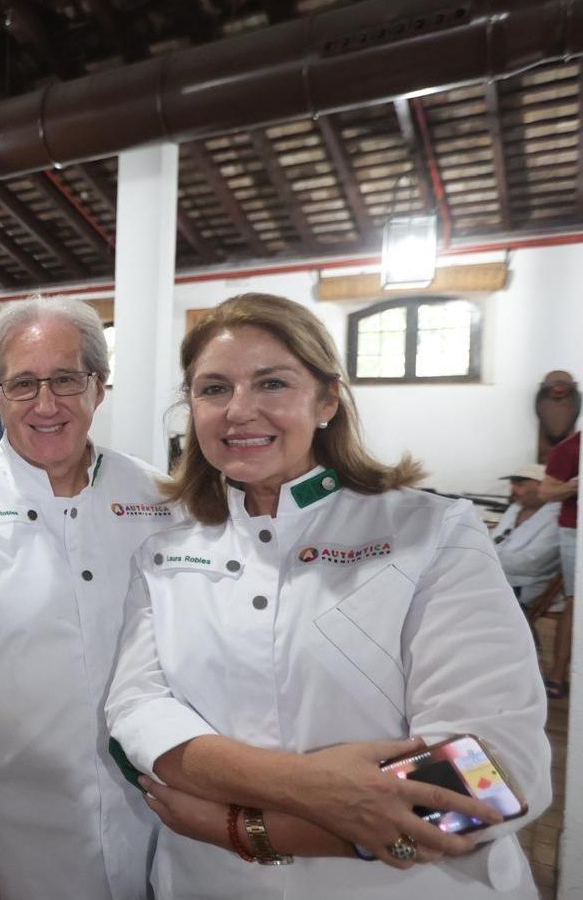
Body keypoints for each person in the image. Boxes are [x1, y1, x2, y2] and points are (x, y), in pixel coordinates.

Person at [105, 293, 550, 899]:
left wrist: (243, 825)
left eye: (272, 383)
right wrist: (310, 786)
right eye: (213, 389)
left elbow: (492, 780)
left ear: (327, 400)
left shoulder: (432, 534)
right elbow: (135, 712)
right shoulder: (162, 553)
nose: (239, 410)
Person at [0, 297, 175, 900]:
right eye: (23, 384)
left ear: (99, 387)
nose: (46, 405)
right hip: (13, 845)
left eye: (67, 379)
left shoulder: (158, 497)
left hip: (164, 836)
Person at [539, 427, 578, 697]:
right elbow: (546, 491)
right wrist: (574, 486)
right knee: (577, 601)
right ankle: (558, 672)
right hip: (577, 530)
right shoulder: (570, 449)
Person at [488, 463, 560, 607]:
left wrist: (484, 558)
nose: (512, 490)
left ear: (542, 486)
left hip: (524, 589)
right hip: (497, 580)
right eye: (512, 484)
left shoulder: (558, 517)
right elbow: (494, 541)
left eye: (520, 484)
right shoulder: (516, 509)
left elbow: (533, 563)